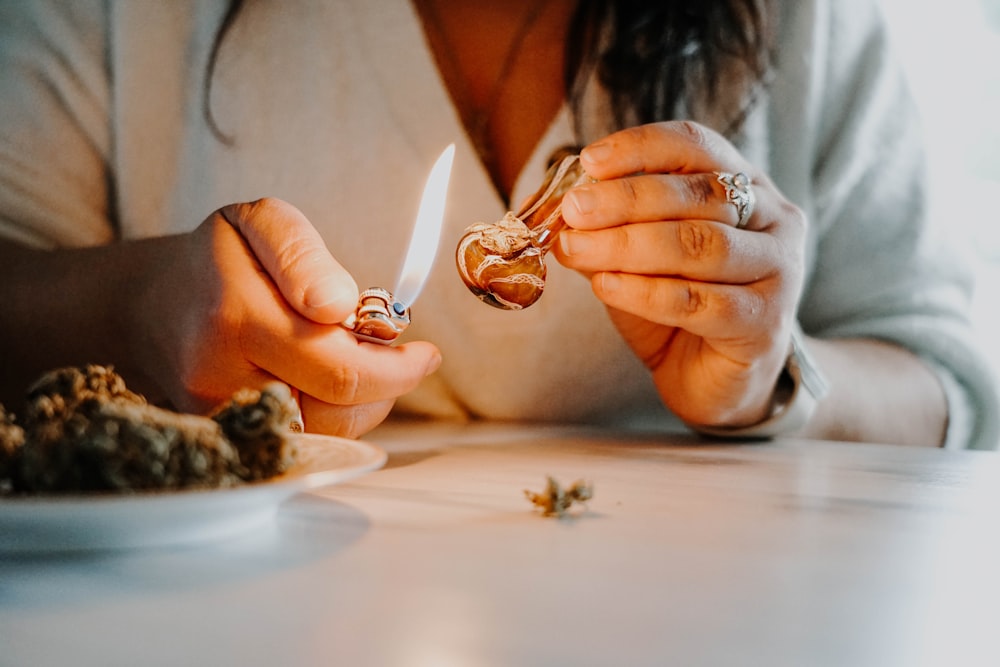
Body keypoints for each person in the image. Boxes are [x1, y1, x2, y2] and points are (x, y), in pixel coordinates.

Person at [0, 0, 995, 448]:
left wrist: (774, 380)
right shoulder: (122, 19)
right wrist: (139, 311)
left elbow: (950, 387)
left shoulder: (804, 20)